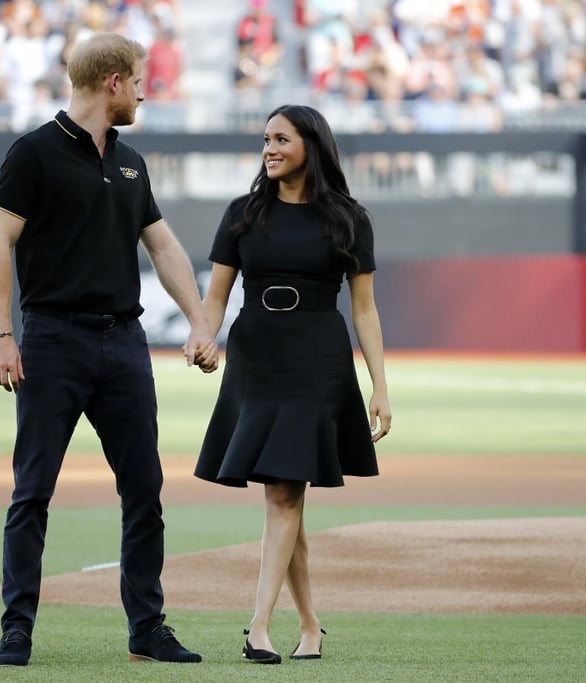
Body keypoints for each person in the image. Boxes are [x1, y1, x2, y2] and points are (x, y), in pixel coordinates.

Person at [0, 31, 217, 667]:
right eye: (139, 79)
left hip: (123, 342)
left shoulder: (130, 160)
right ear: (113, 81)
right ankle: (16, 631)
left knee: (144, 490)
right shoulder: (32, 153)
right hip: (52, 339)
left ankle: (148, 630)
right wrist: (0, 333)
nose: (145, 90)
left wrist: (200, 321)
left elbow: (163, 246)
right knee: (32, 491)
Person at [194, 104, 391, 664]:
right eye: (265, 140)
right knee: (286, 489)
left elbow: (366, 310)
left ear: (312, 144)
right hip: (256, 356)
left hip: (317, 358)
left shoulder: (350, 218)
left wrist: (379, 386)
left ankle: (257, 627)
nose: (269, 149)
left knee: (283, 491)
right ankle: (309, 625)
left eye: (281, 138)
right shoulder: (242, 213)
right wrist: (202, 337)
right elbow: (215, 296)